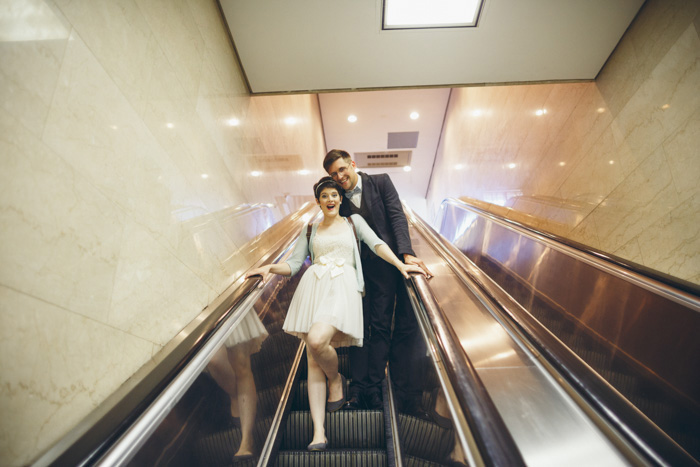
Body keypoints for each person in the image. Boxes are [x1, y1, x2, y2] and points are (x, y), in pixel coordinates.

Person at [245, 177, 424, 451]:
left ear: (340, 199)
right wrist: (269, 268)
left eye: (334, 195)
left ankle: (336, 378)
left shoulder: (354, 223)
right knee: (312, 357)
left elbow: (377, 244)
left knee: (317, 341)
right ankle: (319, 432)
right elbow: (293, 265)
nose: (330, 199)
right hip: (313, 289)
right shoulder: (310, 230)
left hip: (343, 288)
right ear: (318, 201)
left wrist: (402, 265)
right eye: (324, 196)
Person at [323, 149, 432, 413]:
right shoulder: (336, 197)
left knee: (381, 326)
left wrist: (406, 254)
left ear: (353, 164)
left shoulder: (381, 181)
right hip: (355, 272)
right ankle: (358, 390)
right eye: (333, 174)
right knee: (357, 330)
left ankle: (373, 387)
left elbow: (396, 216)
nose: (339, 177)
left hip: (385, 269)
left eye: (341, 169)